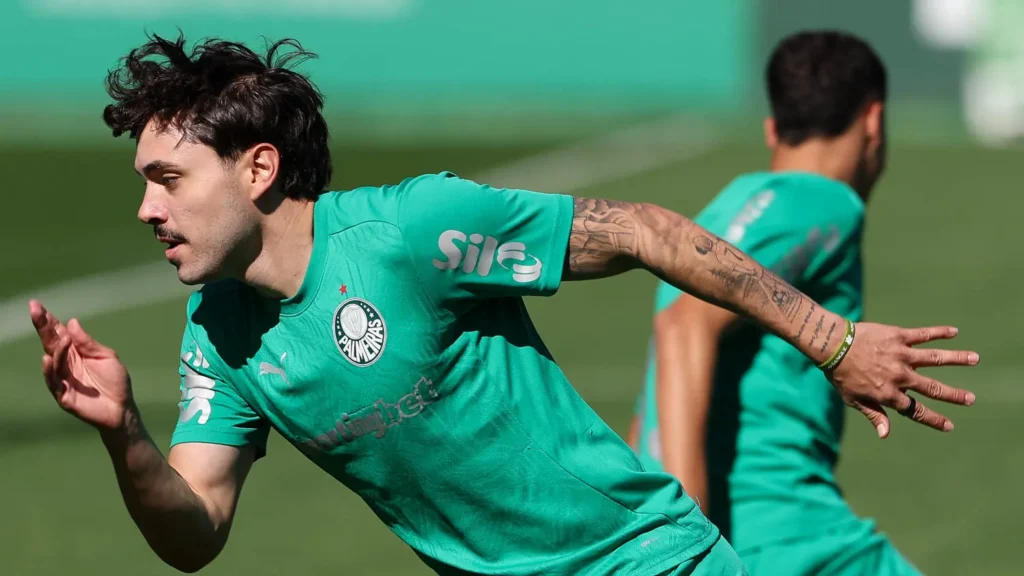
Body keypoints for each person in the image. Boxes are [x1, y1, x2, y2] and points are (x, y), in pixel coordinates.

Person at [29, 33, 977, 576]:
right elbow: (195, 531)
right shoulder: (219, 334)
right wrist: (127, 435)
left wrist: (831, 340)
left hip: (648, 564)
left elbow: (643, 229)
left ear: (260, 168)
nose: (147, 208)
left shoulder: (414, 230)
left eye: (168, 178)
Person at [629, 31, 940, 575]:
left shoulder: (719, 213)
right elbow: (682, 324)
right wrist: (690, 556)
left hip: (718, 538)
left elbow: (664, 367)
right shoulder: (825, 202)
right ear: (874, 120)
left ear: (773, 128)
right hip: (787, 542)